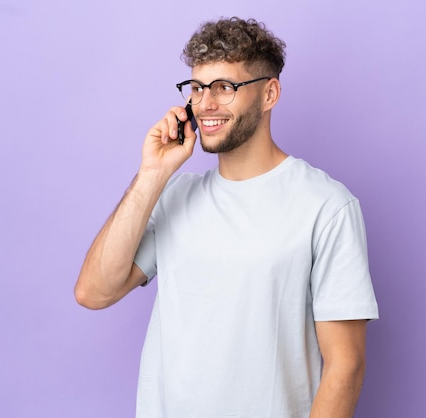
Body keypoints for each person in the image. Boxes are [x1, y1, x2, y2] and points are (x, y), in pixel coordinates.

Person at [75, 17, 378, 418]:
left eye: (225, 87)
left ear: (269, 94)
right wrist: (153, 175)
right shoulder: (174, 196)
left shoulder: (326, 206)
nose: (205, 104)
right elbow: (94, 292)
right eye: (198, 88)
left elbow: (346, 365)